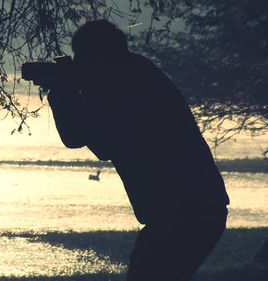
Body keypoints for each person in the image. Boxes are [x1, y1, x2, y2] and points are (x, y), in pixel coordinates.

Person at [44, 20, 230, 281]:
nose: (79, 65)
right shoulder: (135, 73)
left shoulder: (123, 81)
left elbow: (87, 140)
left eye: (81, 58)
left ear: (97, 56)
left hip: (183, 213)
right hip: (191, 210)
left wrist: (63, 94)